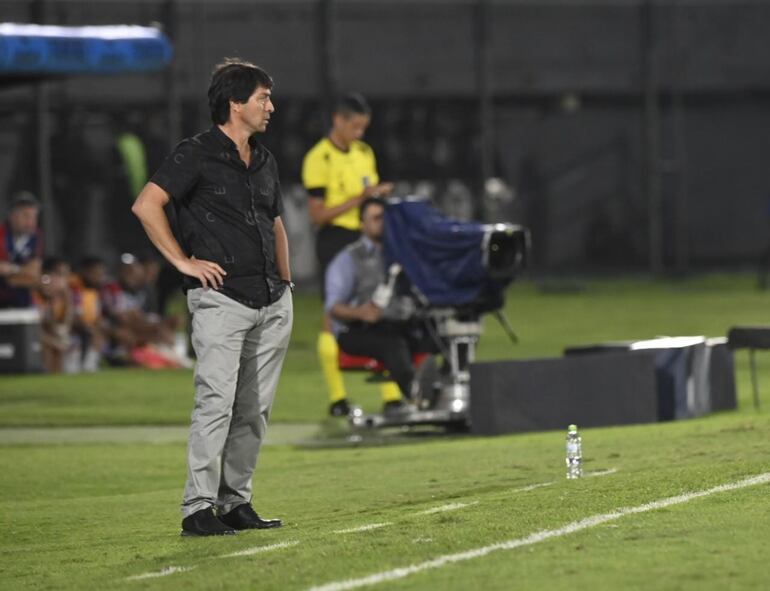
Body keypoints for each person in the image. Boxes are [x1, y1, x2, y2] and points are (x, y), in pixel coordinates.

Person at [131, 58, 293, 537]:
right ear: (235, 103)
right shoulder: (195, 153)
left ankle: (235, 502)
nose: (271, 106)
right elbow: (147, 204)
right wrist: (182, 262)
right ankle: (198, 508)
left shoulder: (264, 159)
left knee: (253, 411)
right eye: (263, 97)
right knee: (215, 403)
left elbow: (276, 222)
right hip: (221, 300)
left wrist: (287, 283)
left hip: (270, 300)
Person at [301, 94, 394, 416]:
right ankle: (338, 399)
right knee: (334, 315)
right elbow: (317, 216)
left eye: (363, 127)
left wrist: (378, 198)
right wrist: (360, 198)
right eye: (355, 126)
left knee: (378, 310)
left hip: (366, 239)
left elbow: (368, 198)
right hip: (335, 239)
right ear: (338, 120)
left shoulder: (364, 153)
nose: (359, 133)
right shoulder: (319, 158)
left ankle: (392, 394)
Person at [326, 197, 432, 413]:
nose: (381, 223)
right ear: (361, 224)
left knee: (444, 333)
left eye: (384, 218)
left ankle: (452, 389)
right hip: (358, 330)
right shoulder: (348, 259)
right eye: (375, 218)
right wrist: (360, 313)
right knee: (393, 343)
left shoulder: (402, 255)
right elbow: (333, 307)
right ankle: (417, 395)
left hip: (399, 323)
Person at [0, 192, 43, 308]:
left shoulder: (35, 236)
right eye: (26, 216)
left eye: (34, 217)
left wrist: (12, 270)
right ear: (12, 216)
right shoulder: (2, 235)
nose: (31, 222)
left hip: (22, 300)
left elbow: (34, 274)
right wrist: (23, 271)